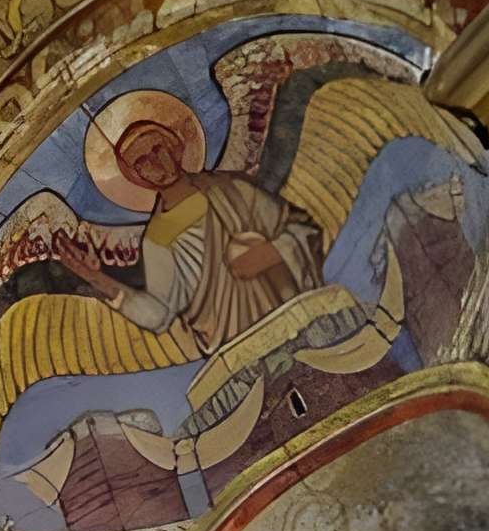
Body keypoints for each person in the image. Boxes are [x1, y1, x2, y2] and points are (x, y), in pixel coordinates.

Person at [58, 109, 324, 353]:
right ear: (137, 176)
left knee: (245, 241)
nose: (156, 163)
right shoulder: (158, 238)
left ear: (175, 148)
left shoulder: (231, 189)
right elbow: (159, 315)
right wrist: (96, 278)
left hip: (291, 316)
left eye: (158, 149)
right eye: (142, 162)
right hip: (238, 345)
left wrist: (271, 252)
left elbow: (303, 231)